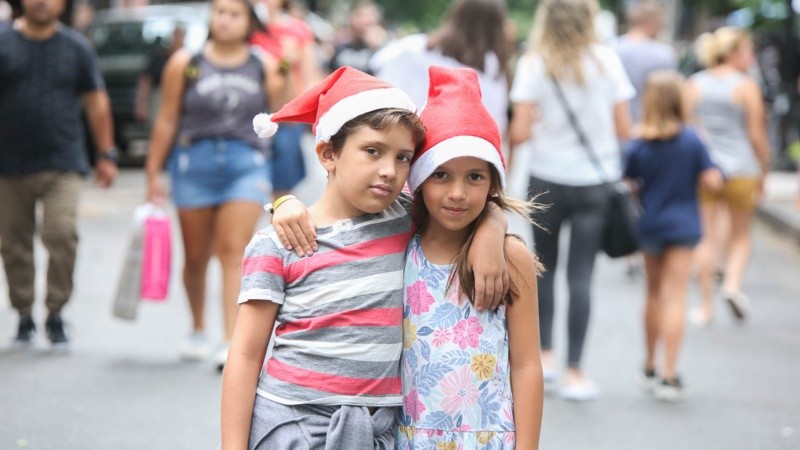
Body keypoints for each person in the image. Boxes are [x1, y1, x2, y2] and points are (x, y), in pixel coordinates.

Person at [221, 66, 509, 449]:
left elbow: (464, 204)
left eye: (403, 157)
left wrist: (492, 225)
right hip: (293, 424)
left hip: (375, 430)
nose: (389, 170)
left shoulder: (405, 218)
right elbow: (244, 354)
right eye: (373, 151)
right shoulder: (279, 243)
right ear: (328, 153)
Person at [395, 66, 544, 449]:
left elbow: (526, 364)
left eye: (475, 177)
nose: (458, 193)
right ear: (419, 178)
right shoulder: (399, 243)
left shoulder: (511, 256)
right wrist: (284, 204)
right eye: (441, 175)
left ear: (493, 182)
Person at [144, 0, 286, 369]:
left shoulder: (263, 65)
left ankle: (229, 339)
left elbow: (279, 114)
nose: (224, 20)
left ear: (249, 22)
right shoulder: (186, 63)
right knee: (196, 255)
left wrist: (287, 63)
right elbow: (167, 118)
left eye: (234, 14)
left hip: (246, 163)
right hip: (194, 163)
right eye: (219, 12)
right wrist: (153, 170)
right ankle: (197, 327)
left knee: (233, 250)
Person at [508, 0, 634, 401]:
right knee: (581, 274)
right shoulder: (606, 61)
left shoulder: (534, 63)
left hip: (546, 177)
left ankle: (544, 356)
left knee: (543, 268)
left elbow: (520, 132)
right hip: (594, 181)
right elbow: (624, 128)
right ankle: (576, 372)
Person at [0, 0, 117, 349]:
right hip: (8, 165)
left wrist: (106, 154)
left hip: (62, 162)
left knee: (61, 234)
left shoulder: (76, 47)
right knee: (13, 244)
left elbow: (96, 101)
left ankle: (55, 312)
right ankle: (23, 313)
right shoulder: (3, 43)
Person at [623, 70, 722, 401]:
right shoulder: (692, 140)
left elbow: (627, 182)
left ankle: (649, 364)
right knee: (675, 296)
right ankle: (669, 374)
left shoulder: (639, 143)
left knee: (652, 294)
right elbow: (712, 181)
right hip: (682, 224)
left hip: (649, 223)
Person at [687, 27, 771, 325]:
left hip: (706, 169)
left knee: (706, 238)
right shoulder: (746, 86)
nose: (752, 57)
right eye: (749, 51)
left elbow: (689, 129)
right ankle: (732, 285)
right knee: (741, 236)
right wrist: (763, 170)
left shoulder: (695, 84)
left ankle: (705, 307)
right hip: (741, 168)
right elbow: (756, 135)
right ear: (733, 53)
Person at [369, 0, 511, 138]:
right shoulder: (492, 70)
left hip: (402, 138)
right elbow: (498, 125)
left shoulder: (415, 47)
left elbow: (377, 63)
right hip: (453, 148)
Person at [251, 0, 323, 200]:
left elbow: (311, 77)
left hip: (285, 115)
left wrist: (307, 111)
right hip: (249, 112)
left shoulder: (298, 30)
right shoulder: (246, 26)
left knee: (282, 189)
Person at [615, 0, 677, 123]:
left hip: (616, 125)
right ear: (652, 22)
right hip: (650, 126)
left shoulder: (611, 48)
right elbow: (668, 99)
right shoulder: (663, 54)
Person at [134, 25, 186, 123]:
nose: (178, 39)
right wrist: (141, 104)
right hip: (160, 97)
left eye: (180, 35)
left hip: (183, 97)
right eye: (176, 35)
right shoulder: (159, 57)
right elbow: (145, 79)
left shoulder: (190, 59)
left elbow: (195, 76)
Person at [328, 1, 385, 74]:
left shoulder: (380, 52)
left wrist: (375, 47)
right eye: (360, 15)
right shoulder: (340, 49)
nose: (363, 21)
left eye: (369, 16)